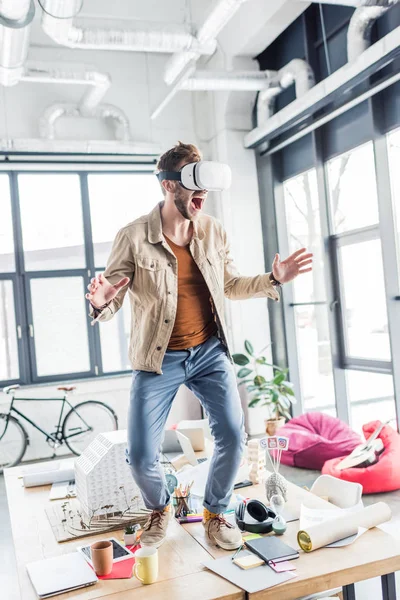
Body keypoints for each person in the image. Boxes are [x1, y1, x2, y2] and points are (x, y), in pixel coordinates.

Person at [85, 141, 313, 551]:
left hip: (209, 351)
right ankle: (159, 508)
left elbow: (230, 285)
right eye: (193, 186)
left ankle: (216, 511)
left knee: (233, 434)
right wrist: (101, 301)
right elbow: (112, 295)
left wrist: (273, 278)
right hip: (158, 359)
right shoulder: (134, 237)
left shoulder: (213, 231)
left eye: (205, 189)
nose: (201, 197)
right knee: (139, 455)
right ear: (169, 187)